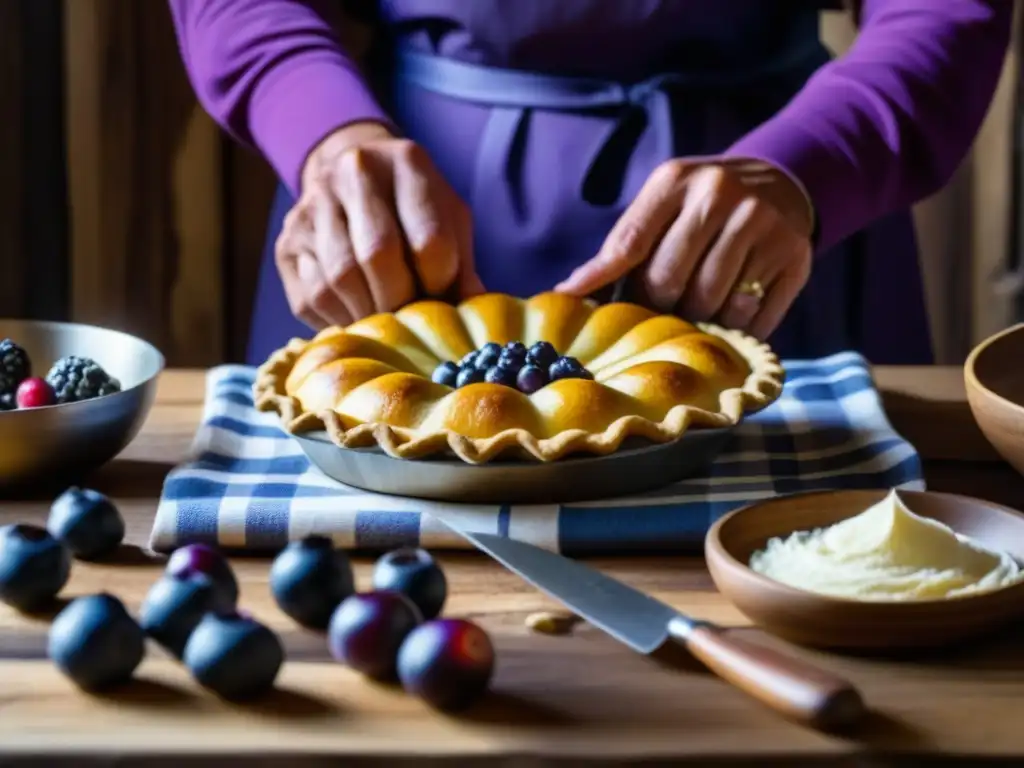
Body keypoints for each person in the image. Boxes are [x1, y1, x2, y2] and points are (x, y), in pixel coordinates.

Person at [169, 0, 1011, 367]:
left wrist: (812, 161)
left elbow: (945, 8)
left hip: (775, 225)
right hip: (393, 220)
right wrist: (322, 132)